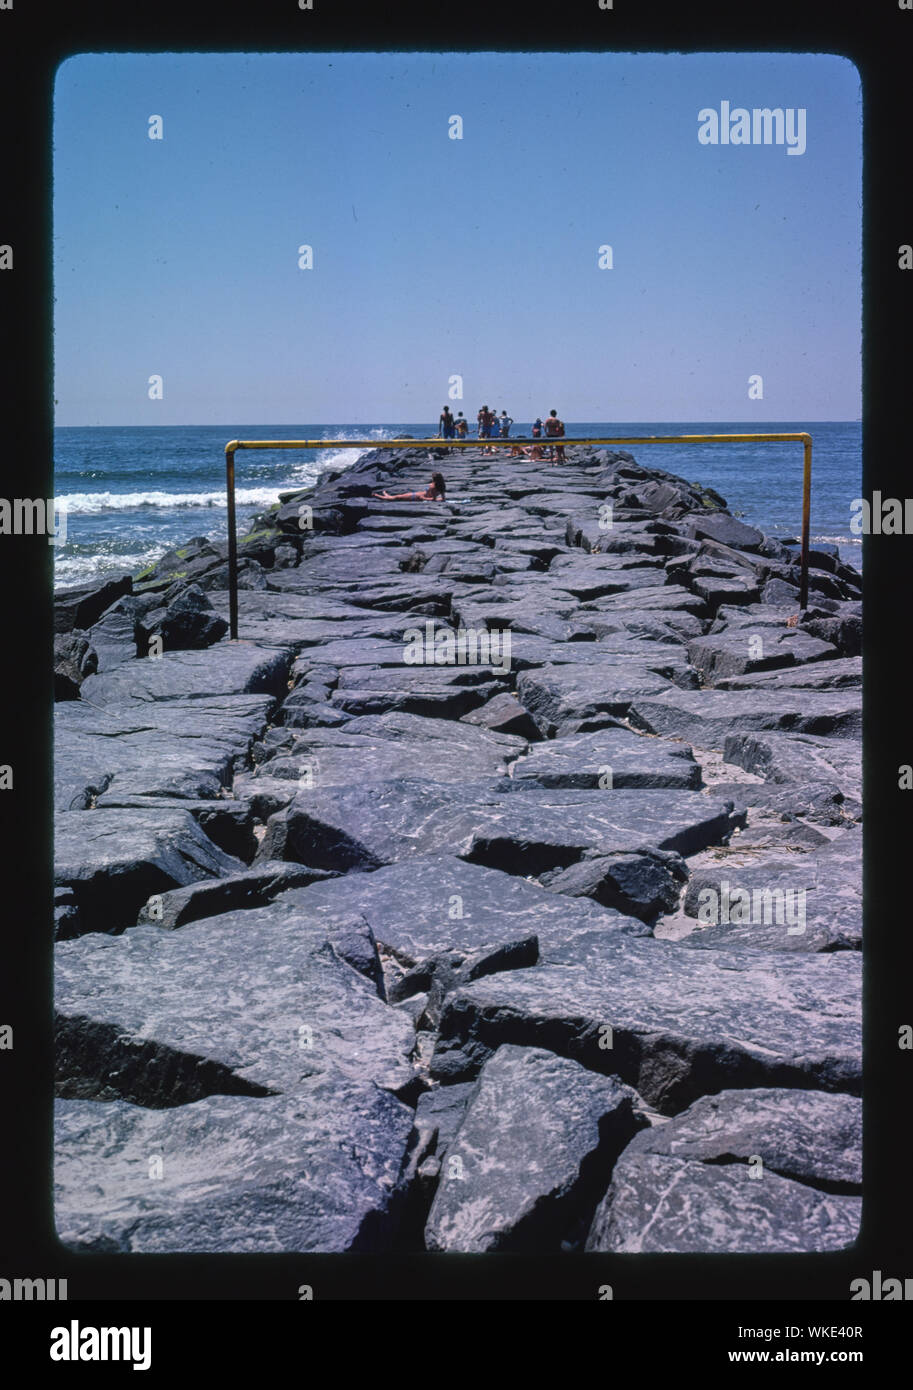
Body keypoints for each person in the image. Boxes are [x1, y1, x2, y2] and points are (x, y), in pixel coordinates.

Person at [372, 472, 446, 501]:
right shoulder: (442, 485)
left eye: (432, 477)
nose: (431, 478)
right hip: (418, 494)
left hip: (417, 497)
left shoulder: (433, 487)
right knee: (399, 496)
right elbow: (443, 498)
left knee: (397, 498)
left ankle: (378, 496)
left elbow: (434, 499)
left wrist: (424, 498)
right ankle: (387, 496)